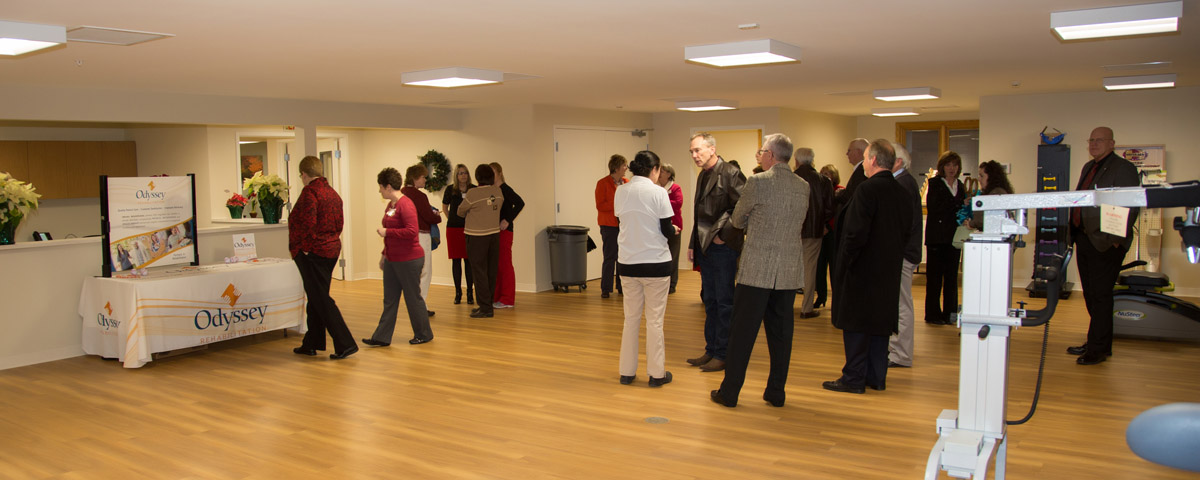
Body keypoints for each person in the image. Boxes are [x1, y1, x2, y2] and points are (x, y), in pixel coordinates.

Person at [711, 134, 808, 408]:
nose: (759, 155)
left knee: (742, 333)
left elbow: (738, 218)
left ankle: (730, 393)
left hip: (757, 270)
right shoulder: (803, 186)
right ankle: (776, 392)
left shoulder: (758, 182)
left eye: (762, 151)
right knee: (781, 335)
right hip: (787, 270)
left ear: (771, 155)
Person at [823, 139, 912, 394]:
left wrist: (845, 264)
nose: (863, 163)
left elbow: (855, 233)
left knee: (856, 325)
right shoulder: (902, 193)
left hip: (862, 269)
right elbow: (906, 231)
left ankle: (854, 377)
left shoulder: (867, 190)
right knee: (879, 325)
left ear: (872, 160)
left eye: (865, 158)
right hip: (888, 269)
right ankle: (876, 376)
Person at [1069, 126, 1140, 365]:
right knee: (1090, 295)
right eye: (1091, 140)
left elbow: (1130, 205)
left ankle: (1097, 349)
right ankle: (1097, 341)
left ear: (1112, 143)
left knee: (1100, 296)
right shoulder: (1089, 167)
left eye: (1099, 140)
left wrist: (1115, 241)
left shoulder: (1123, 168)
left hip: (1106, 242)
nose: (1094, 144)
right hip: (1084, 238)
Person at [615, 150, 675, 388]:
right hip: (656, 264)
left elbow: (623, 222)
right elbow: (667, 229)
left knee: (630, 319)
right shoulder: (659, 192)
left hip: (628, 264)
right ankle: (656, 374)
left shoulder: (621, 191)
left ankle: (626, 372)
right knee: (654, 321)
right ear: (655, 169)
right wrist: (675, 231)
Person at [687, 132, 746, 372]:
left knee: (724, 302)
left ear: (712, 149)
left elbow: (743, 209)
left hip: (722, 248)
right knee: (710, 300)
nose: (694, 155)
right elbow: (700, 214)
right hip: (705, 246)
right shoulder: (703, 175)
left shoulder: (731, 173)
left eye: (698, 150)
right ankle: (711, 349)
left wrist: (724, 235)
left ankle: (723, 353)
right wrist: (693, 243)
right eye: (692, 151)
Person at [290, 155, 357, 360]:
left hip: (314, 253)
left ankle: (345, 343)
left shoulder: (310, 193)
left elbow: (307, 224)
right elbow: (339, 224)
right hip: (331, 250)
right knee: (316, 297)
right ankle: (312, 342)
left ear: (304, 174)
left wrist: (305, 249)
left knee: (320, 298)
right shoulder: (332, 193)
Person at [364, 167, 433, 346]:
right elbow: (391, 232)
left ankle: (424, 334)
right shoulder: (391, 205)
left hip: (409, 259)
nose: (379, 190)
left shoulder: (406, 204)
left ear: (388, 187)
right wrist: (384, 255)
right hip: (392, 259)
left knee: (413, 298)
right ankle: (381, 337)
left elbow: (412, 231)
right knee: (390, 299)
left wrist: (387, 232)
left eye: (380, 187)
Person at [887, 142, 923, 369]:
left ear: (898, 162)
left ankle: (901, 353)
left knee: (901, 305)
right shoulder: (903, 182)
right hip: (903, 252)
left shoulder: (903, 184)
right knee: (898, 303)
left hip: (902, 253)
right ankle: (896, 349)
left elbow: (902, 225)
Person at [924, 151, 966, 326]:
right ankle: (932, 314)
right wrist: (957, 205)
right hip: (937, 238)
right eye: (948, 165)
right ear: (942, 167)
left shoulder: (960, 185)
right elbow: (935, 208)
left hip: (953, 238)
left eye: (955, 165)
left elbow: (961, 210)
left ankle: (950, 313)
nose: (951, 168)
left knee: (951, 278)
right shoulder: (934, 183)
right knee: (934, 278)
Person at [792, 147, 833, 319]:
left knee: (790, 268)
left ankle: (784, 306)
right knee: (810, 268)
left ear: (796, 161)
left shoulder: (791, 178)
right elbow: (829, 207)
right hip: (814, 230)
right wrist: (825, 225)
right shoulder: (823, 181)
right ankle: (806, 308)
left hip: (792, 230)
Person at [458, 164, 503, 319]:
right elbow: (498, 205)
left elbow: (460, 211)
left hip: (476, 237)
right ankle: (487, 304)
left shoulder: (473, 193)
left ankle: (485, 308)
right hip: (494, 235)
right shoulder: (497, 191)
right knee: (491, 271)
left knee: (479, 272)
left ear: (477, 177)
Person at [401, 163, 442, 318]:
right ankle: (420, 305)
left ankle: (414, 304)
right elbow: (429, 217)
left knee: (412, 273)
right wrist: (437, 216)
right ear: (416, 178)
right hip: (420, 236)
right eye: (423, 177)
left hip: (406, 237)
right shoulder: (419, 196)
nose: (425, 180)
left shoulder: (401, 193)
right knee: (425, 271)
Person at [490, 162, 525, 309]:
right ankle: (497, 297)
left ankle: (507, 299)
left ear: (499, 173)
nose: (491, 175)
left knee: (505, 264)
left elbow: (520, 203)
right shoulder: (492, 190)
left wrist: (507, 220)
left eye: (493, 172)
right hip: (494, 231)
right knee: (497, 265)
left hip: (505, 232)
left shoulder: (505, 189)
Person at [442, 164, 475, 305]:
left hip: (469, 229)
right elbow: (445, 207)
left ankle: (469, 293)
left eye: (465, 173)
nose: (463, 175)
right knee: (456, 261)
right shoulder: (450, 189)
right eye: (460, 173)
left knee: (469, 261)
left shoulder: (473, 189)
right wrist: (452, 218)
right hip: (453, 229)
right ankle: (458, 293)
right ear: (456, 175)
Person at [596, 154, 628, 299]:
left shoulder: (627, 182)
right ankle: (606, 288)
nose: (626, 168)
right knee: (610, 256)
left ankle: (621, 287)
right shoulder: (602, 183)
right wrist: (617, 203)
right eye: (624, 165)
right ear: (616, 167)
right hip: (608, 225)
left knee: (623, 257)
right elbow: (600, 205)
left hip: (624, 225)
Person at [813, 165, 842, 310]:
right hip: (821, 232)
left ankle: (837, 299)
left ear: (834, 175)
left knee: (834, 267)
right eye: (822, 173)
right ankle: (821, 296)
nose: (824, 175)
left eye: (827, 173)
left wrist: (828, 227)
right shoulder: (819, 190)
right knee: (820, 267)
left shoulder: (840, 191)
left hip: (833, 233)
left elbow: (838, 213)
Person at [655, 164, 684, 294]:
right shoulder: (656, 188)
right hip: (659, 227)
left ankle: (672, 285)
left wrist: (663, 199)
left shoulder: (675, 188)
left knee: (673, 256)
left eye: (662, 171)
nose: (660, 174)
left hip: (675, 227)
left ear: (669, 174)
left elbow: (678, 203)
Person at [966, 160, 1014, 230]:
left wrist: (971, 224)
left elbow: (984, 219)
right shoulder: (996, 192)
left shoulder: (996, 193)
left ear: (991, 177)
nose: (979, 179)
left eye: (982, 176)